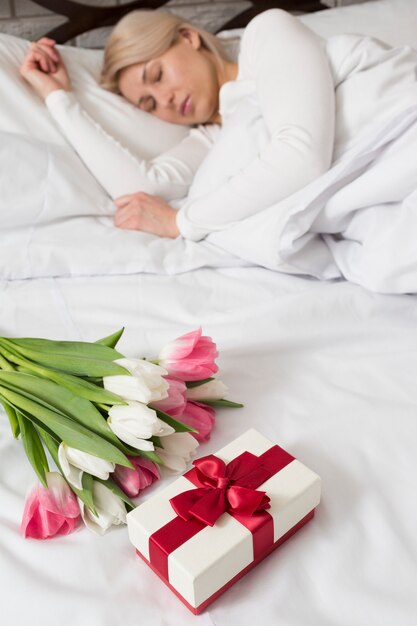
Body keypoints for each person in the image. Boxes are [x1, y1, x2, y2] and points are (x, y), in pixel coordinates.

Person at [19, 9, 417, 242]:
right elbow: (142, 191)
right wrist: (58, 98)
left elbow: (302, 153)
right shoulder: (215, 141)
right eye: (148, 104)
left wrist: (182, 221)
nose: (166, 101)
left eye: (157, 76)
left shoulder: (267, 33)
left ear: (188, 37)